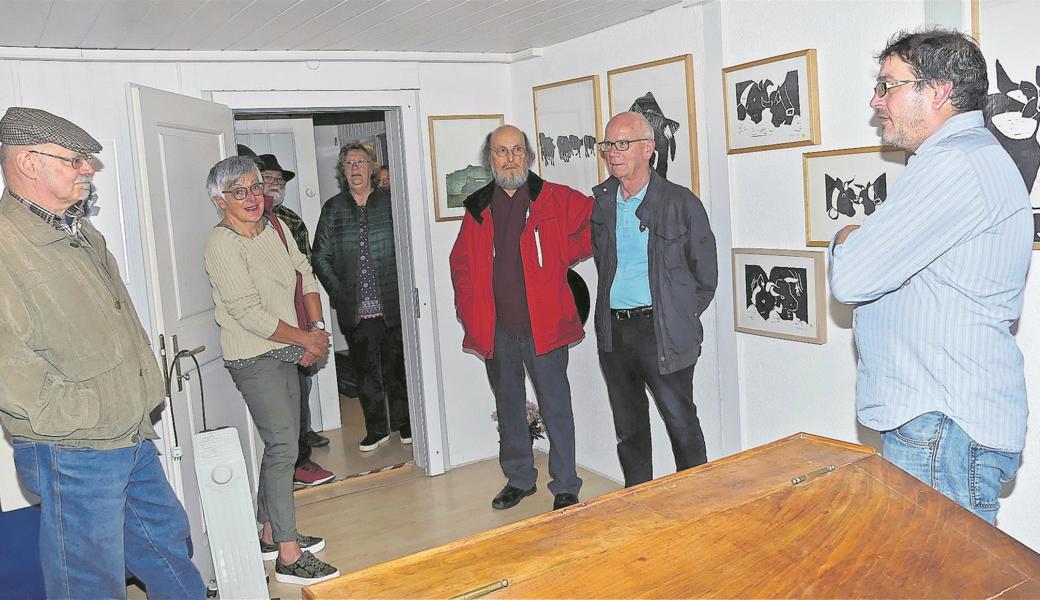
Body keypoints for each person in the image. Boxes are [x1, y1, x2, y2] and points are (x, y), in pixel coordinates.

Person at [0, 106, 206, 598]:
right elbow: (12, 369)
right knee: (88, 578)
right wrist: (89, 411)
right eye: (75, 160)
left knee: (165, 543)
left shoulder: (78, 231)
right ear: (30, 163)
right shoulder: (7, 244)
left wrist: (132, 397)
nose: (88, 169)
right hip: (73, 443)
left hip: (128, 428)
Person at [829, 28, 1032, 524]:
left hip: (942, 425)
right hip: (942, 422)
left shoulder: (955, 164)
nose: (876, 100)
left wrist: (844, 238)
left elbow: (852, 277)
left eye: (888, 85)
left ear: (938, 90)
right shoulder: (960, 160)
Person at [203, 156, 339, 585]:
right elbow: (248, 313)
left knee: (281, 442)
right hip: (254, 355)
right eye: (239, 192)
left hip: (289, 345)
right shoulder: (221, 244)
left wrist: (315, 327)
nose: (251, 198)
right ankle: (288, 554)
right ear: (219, 200)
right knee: (283, 447)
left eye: (256, 188)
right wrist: (305, 339)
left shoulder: (276, 228)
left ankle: (267, 532)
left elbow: (306, 273)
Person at [449, 125, 593, 511]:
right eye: (501, 152)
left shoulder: (554, 198)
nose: (510, 158)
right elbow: (460, 263)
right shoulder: (478, 206)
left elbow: (595, 225)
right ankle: (519, 478)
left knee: (555, 405)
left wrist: (566, 253)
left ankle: (566, 484)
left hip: (543, 328)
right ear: (489, 159)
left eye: (516, 151)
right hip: (497, 329)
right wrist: (468, 311)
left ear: (528, 156)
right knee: (509, 405)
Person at [591, 112, 718, 488]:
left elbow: (705, 277)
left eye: (622, 143)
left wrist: (675, 314)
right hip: (614, 333)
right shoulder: (601, 202)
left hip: (662, 331)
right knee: (628, 430)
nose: (613, 153)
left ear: (648, 148)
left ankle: (696, 504)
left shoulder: (681, 203)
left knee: (682, 425)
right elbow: (602, 262)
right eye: (608, 145)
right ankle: (637, 505)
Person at [312, 143, 411, 451]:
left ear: (371, 167)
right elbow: (320, 256)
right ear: (343, 171)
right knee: (366, 372)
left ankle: (405, 423)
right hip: (355, 309)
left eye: (361, 162)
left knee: (398, 368)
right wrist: (339, 293)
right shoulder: (332, 208)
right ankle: (377, 429)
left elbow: (409, 249)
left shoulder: (392, 203)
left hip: (392, 305)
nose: (355, 168)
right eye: (349, 163)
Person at [254, 152, 335, 488]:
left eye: (278, 181)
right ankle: (294, 457)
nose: (273, 186)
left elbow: (305, 271)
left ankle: (301, 449)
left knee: (301, 385)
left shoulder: (290, 220)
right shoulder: (247, 225)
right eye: (267, 180)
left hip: (298, 315)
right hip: (266, 322)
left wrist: (313, 324)